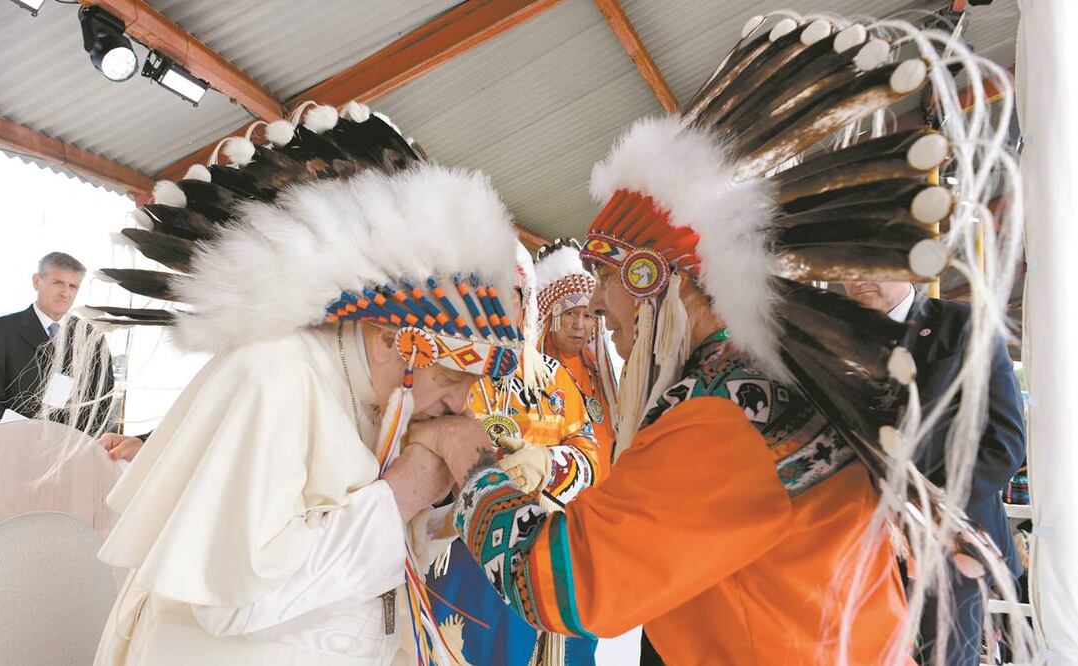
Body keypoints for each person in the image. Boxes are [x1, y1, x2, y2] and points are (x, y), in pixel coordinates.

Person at [408, 12, 1029, 665]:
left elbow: (564, 583)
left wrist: (471, 455)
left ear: (657, 282)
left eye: (604, 277)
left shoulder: (723, 411)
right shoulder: (767, 374)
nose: (595, 304)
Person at [62, 101, 530, 665]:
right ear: (389, 338)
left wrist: (448, 496)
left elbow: (354, 534)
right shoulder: (274, 373)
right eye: (453, 376)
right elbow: (233, 600)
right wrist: (406, 487)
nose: (461, 402)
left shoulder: (374, 392)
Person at [426, 244, 602, 666]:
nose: (498, 306)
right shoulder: (444, 369)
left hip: (542, 547)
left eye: (512, 294)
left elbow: (589, 454)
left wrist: (548, 464)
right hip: (464, 550)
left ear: (528, 304)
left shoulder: (556, 379)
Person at [842, 280, 1026, 666]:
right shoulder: (834, 333)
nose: (854, 275)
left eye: (868, 261)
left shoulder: (965, 325)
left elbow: (1004, 443)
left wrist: (925, 512)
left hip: (951, 540)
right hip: (860, 539)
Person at [0, 252, 114, 431]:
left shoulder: (92, 337)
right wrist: (27, 436)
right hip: (13, 445)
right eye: (58, 283)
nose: (65, 293)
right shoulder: (2, 331)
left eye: (73, 286)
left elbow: (101, 402)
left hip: (71, 449)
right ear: (37, 281)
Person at [534, 238, 617, 467]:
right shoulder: (534, 372)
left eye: (588, 316)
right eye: (570, 313)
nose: (579, 325)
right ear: (551, 318)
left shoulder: (601, 371)